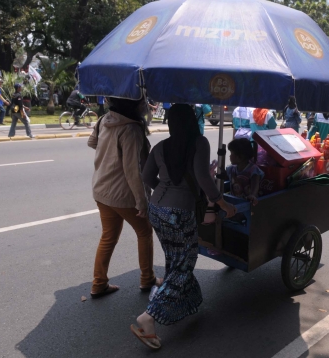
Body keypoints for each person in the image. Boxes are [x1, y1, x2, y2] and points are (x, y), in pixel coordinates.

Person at [137, 104, 237, 350]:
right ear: (193, 121)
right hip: (181, 212)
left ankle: (186, 302)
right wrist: (223, 204)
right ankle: (149, 317)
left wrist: (166, 186)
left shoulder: (160, 147)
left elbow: (146, 178)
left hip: (157, 210)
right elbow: (204, 177)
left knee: (174, 256)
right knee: (186, 261)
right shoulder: (199, 143)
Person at [87, 97, 159, 300]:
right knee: (144, 232)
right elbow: (132, 170)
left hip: (102, 190)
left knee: (108, 236)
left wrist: (110, 153)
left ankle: (99, 283)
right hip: (123, 195)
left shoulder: (104, 119)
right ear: (133, 105)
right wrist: (142, 201)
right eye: (143, 102)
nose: (146, 105)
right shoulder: (131, 129)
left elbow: (92, 142)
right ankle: (148, 279)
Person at [226, 138, 264, 205]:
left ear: (240, 157)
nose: (229, 156)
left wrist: (252, 195)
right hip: (234, 202)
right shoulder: (231, 169)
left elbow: (255, 184)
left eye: (231, 153)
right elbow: (223, 177)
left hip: (248, 204)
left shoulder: (253, 170)